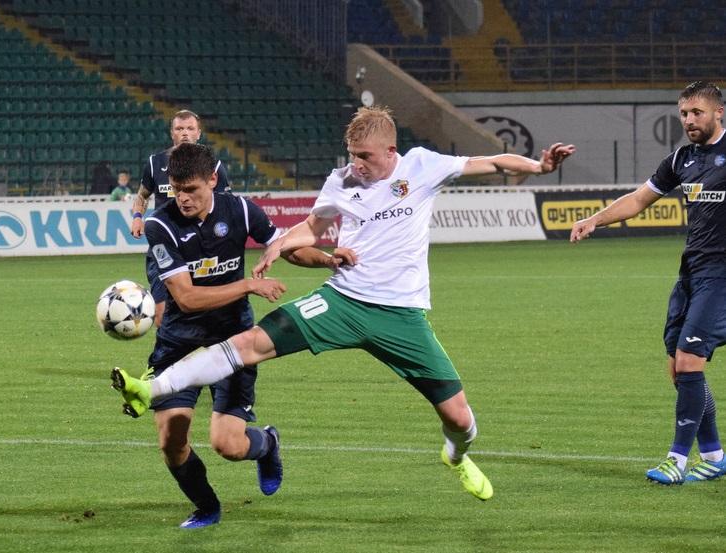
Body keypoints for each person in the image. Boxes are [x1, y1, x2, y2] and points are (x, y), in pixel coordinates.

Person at [112, 106, 575, 503]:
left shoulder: (422, 165)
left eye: (365, 157)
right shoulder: (341, 181)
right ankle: (150, 389)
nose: (357, 164)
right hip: (343, 301)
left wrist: (538, 167)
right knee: (250, 343)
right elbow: (313, 228)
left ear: (390, 152)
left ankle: (456, 456)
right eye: (352, 155)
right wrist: (280, 245)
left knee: (459, 418)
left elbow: (491, 161)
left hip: (402, 316)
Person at [122, 142, 351, 529]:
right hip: (180, 343)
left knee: (227, 445)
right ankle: (207, 507)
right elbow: (186, 298)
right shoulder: (161, 225)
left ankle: (268, 443)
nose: (183, 198)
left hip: (234, 342)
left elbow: (285, 248)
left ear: (212, 180)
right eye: (177, 190)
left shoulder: (242, 210)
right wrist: (247, 285)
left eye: (191, 189)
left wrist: (328, 260)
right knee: (171, 441)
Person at [570, 81, 726, 485]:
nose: (689, 120)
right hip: (691, 273)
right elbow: (640, 199)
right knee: (678, 368)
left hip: (722, 276)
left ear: (719, 112)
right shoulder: (681, 159)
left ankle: (676, 460)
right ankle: (714, 455)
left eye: (697, 112)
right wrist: (594, 219)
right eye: (684, 113)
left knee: (690, 361)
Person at [131, 109, 230, 328]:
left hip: (200, 248)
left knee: (203, 311)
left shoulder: (213, 166)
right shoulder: (155, 163)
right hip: (164, 247)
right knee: (161, 314)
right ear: (172, 133)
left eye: (190, 128)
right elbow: (142, 196)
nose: (185, 133)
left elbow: (225, 205)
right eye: (179, 128)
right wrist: (137, 216)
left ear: (199, 133)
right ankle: (167, 351)